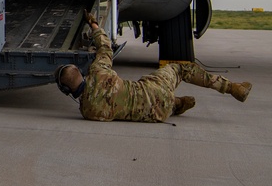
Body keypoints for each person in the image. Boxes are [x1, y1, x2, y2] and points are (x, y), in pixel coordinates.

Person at [55, 12, 252, 122]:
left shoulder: (88, 111)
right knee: (179, 69)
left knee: (148, 105)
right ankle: (231, 88)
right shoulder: (98, 72)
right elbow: (105, 47)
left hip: (156, 114)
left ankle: (175, 104)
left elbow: (98, 106)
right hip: (154, 90)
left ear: (66, 90)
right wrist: (94, 24)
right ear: (81, 73)